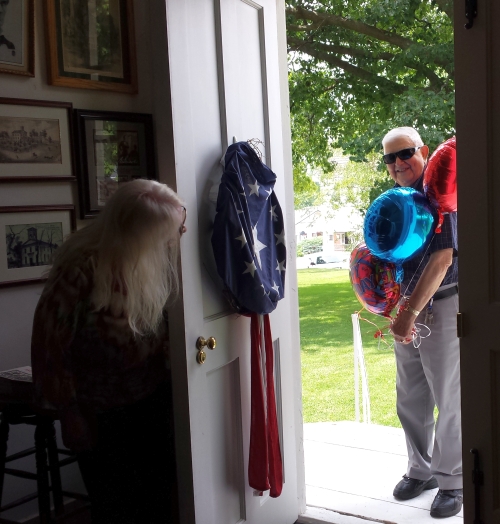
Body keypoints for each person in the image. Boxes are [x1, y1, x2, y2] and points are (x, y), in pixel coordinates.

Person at [31, 179, 187, 524]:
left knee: (160, 496)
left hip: (152, 397)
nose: (181, 233)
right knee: (117, 506)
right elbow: (49, 346)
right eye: (174, 228)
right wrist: (69, 412)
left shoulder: (146, 258)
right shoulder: (81, 270)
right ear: (140, 233)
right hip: (102, 411)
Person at [382, 127, 461, 519]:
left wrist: (409, 314)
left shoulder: (440, 195)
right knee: (410, 396)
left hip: (441, 305)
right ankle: (421, 470)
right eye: (390, 158)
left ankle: (452, 480)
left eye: (405, 153)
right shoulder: (398, 202)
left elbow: (443, 259)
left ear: (424, 151)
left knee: (449, 398)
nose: (398, 163)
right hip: (407, 308)